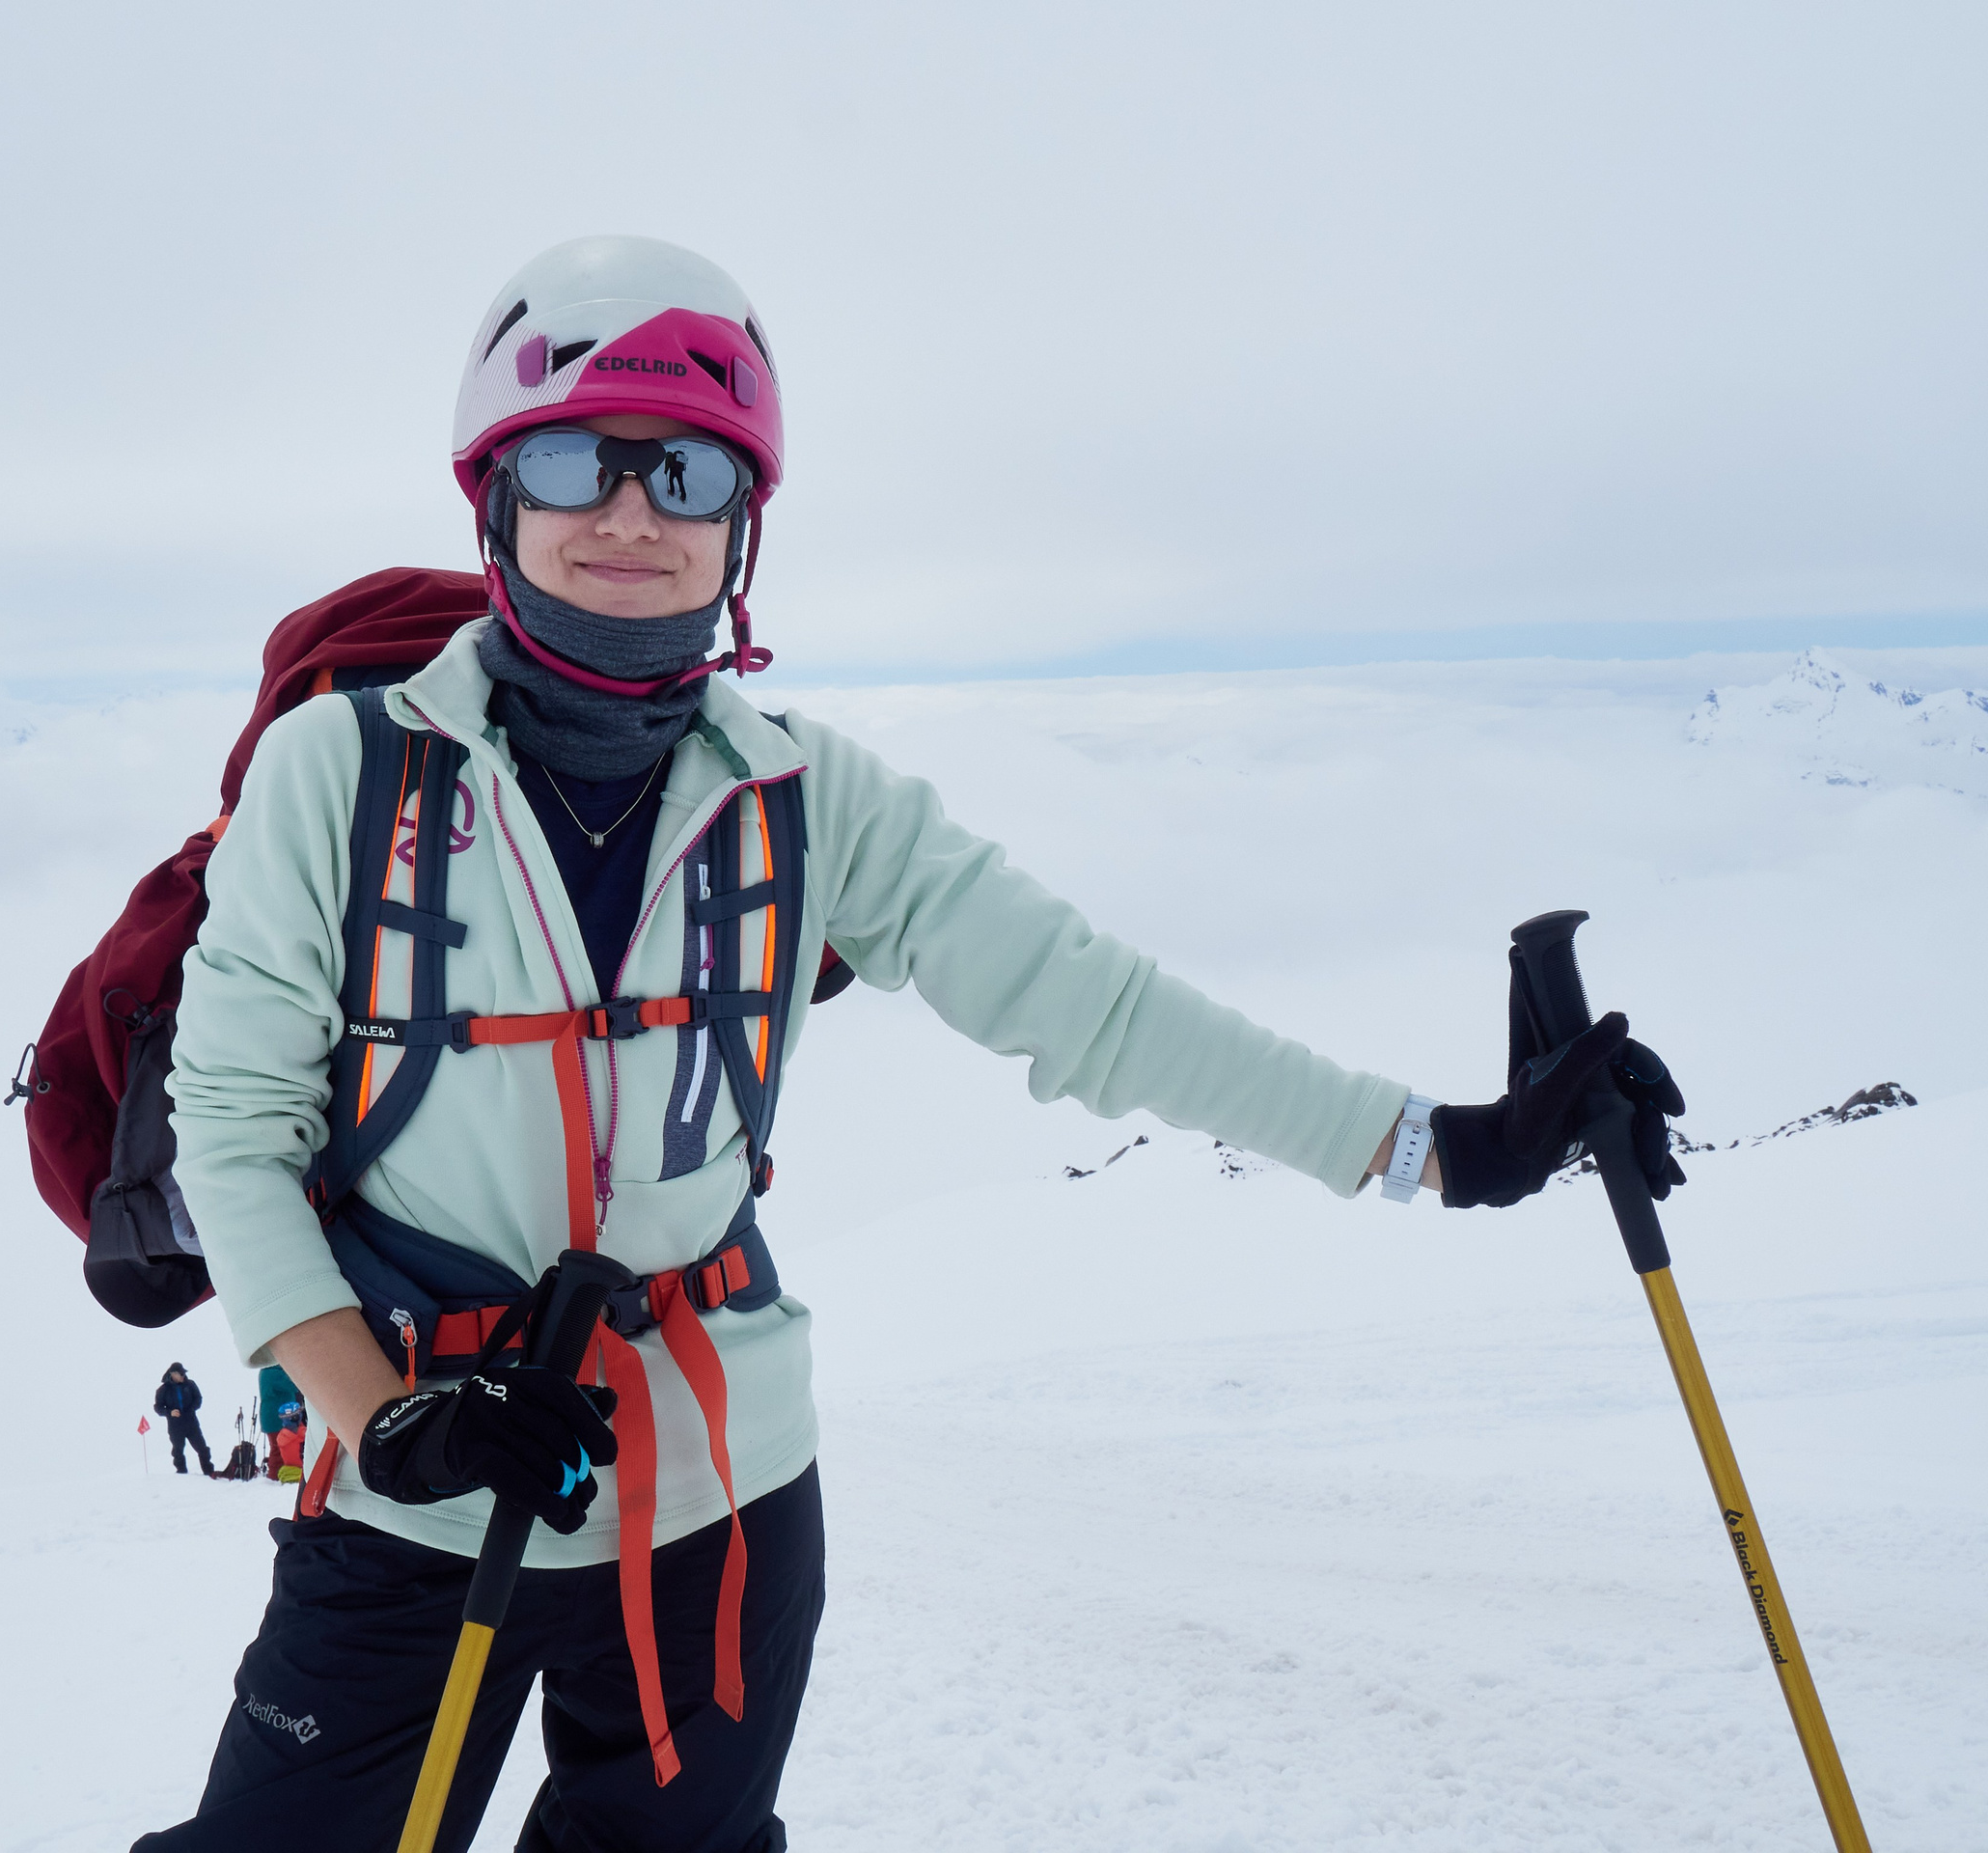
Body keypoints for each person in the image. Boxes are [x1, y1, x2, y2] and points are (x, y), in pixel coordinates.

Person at [145, 237, 1687, 1851]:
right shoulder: (346, 772)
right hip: (413, 1479)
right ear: (495, 500)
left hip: (720, 1506)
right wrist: (374, 1412)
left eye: (683, 472)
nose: (627, 514)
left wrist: (1445, 1145)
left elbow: (1091, 1006)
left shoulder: (810, 799)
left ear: (740, 525)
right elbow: (234, 1126)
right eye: (568, 461)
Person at [152, 1363, 215, 1478]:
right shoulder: (162, 1390)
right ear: (173, 1374)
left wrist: (191, 1409)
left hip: (191, 1422)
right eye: (181, 1374)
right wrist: (170, 1412)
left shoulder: (190, 1384)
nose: (183, 1376)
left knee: (202, 1448)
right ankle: (182, 1475)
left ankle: (209, 1472)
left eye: (184, 1373)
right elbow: (157, 1407)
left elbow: (198, 1399)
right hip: (175, 1426)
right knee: (178, 1451)